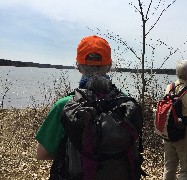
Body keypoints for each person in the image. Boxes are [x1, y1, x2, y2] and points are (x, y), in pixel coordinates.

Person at [35, 35, 145, 179]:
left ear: (78, 66)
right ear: (110, 65)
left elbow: (42, 153)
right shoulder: (127, 104)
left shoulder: (65, 105)